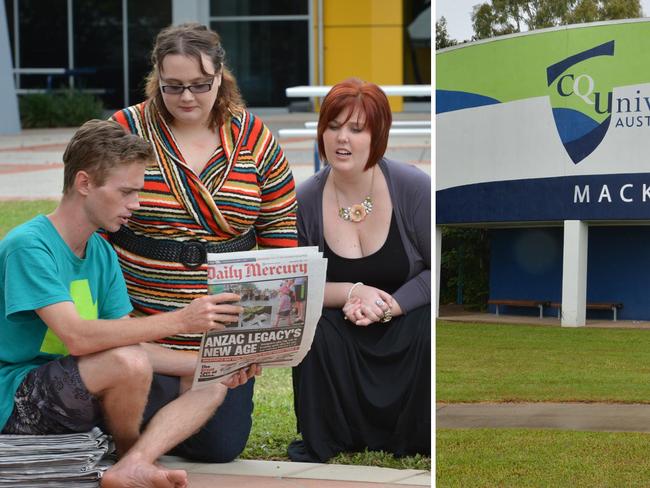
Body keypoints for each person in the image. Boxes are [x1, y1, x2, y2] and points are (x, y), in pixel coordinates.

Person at [0, 119, 258, 488]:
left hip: (87, 383)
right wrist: (181, 322)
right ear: (84, 183)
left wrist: (206, 364)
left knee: (209, 381)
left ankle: (134, 463)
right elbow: (78, 338)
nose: (136, 205)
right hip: (19, 396)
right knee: (129, 362)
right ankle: (128, 451)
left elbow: (124, 342)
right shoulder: (30, 245)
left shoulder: (101, 252)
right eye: (126, 192)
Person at [108, 23, 297, 463]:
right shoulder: (125, 129)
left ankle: (176, 412)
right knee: (121, 426)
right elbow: (95, 221)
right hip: (143, 323)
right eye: (173, 87)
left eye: (199, 85)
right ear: (157, 77)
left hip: (223, 334)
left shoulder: (254, 138)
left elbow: (281, 240)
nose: (187, 97)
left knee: (219, 448)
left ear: (220, 76)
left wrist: (258, 338)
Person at [289, 78, 431, 462]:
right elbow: (298, 286)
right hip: (342, 327)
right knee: (313, 330)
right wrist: (354, 292)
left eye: (356, 128)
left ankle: (416, 430)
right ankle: (333, 433)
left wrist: (389, 306)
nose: (341, 139)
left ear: (378, 134)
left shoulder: (413, 188)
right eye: (333, 126)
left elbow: (438, 272)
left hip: (404, 322)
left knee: (429, 326)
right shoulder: (305, 198)